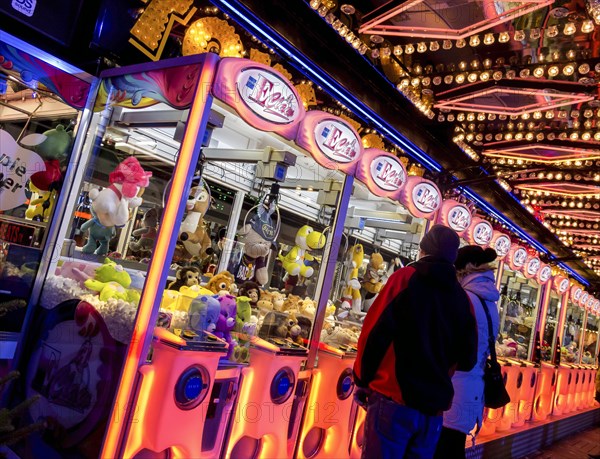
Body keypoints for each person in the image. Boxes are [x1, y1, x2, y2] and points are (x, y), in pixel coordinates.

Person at [353, 225, 478, 459]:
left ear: (422, 251)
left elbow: (374, 333)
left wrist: (361, 379)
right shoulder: (462, 298)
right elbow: (469, 358)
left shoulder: (405, 278)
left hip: (394, 398)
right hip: (433, 410)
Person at [433, 245, 500, 459]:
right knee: (453, 448)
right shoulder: (489, 303)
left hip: (454, 389)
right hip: (472, 390)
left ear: (463, 271)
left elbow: (446, 342)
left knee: (443, 449)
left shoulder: (465, 298)